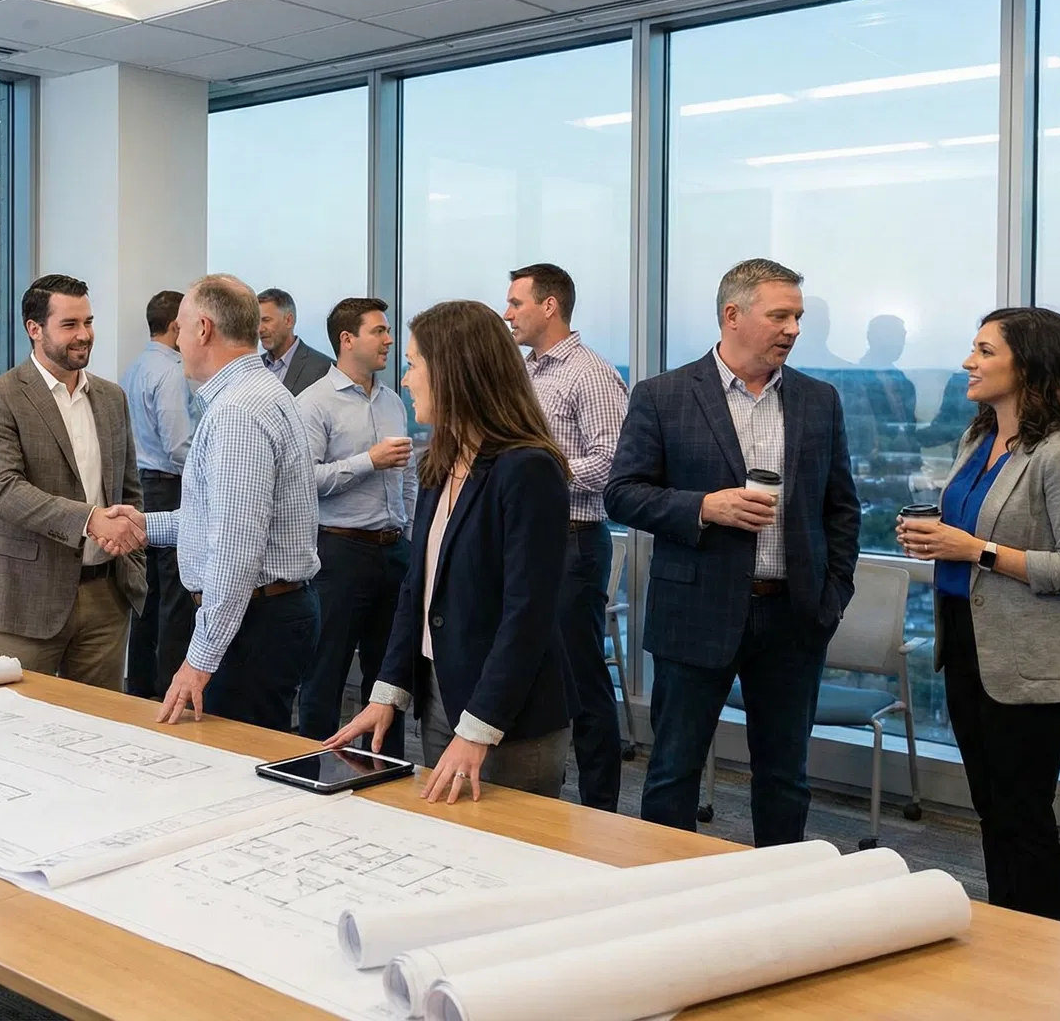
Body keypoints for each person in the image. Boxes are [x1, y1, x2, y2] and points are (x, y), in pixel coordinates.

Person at [606, 258, 860, 847]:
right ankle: (668, 889)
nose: (793, 329)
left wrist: (831, 598)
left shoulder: (818, 400)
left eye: (797, 316)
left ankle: (779, 888)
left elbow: (842, 509)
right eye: (781, 316)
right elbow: (622, 494)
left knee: (785, 778)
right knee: (673, 773)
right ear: (733, 315)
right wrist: (704, 507)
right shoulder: (663, 395)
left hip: (793, 616)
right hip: (694, 613)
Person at [896, 307, 1060, 921]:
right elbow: (967, 535)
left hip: (1031, 663)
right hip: (967, 647)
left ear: (1030, 364)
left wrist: (976, 550)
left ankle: (1042, 948)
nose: (969, 362)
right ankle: (1006, 936)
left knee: (1023, 817)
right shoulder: (978, 440)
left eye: (985, 351)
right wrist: (934, 538)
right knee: (991, 811)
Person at [328, 300, 574, 802]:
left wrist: (480, 726)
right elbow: (417, 590)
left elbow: (528, 615)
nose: (404, 380)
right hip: (440, 699)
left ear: (454, 371)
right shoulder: (441, 462)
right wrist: (387, 692)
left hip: (507, 718)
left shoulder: (528, 469)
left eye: (413, 364)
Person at [115, 274, 321, 731]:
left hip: (253, 623)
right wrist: (145, 526)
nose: (178, 342)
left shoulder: (237, 412)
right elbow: (217, 518)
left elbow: (234, 549)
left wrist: (199, 660)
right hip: (261, 614)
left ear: (203, 329)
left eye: (181, 328)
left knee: (239, 763)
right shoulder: (254, 394)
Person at [0, 274, 147, 690]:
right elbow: (4, 491)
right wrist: (90, 519)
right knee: (18, 719)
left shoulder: (112, 398)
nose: (84, 335)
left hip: (107, 596)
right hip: (26, 597)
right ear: (35, 329)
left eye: (88, 322)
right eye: (69, 325)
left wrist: (131, 552)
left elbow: (129, 489)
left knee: (100, 719)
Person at [504, 263, 630, 811]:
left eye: (516, 303)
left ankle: (600, 809)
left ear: (549, 306)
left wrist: (538, 473)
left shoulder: (590, 374)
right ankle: (538, 797)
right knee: (528, 665)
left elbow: (613, 462)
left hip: (574, 541)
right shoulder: (524, 372)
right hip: (528, 540)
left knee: (581, 678)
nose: (507, 313)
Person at [295, 297, 414, 758]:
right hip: (340, 553)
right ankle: (313, 767)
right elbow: (304, 481)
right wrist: (369, 461)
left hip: (394, 551)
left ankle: (386, 768)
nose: (389, 340)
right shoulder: (313, 404)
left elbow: (407, 477)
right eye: (378, 331)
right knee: (325, 673)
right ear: (347, 340)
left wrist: (409, 533)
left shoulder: (393, 401)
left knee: (390, 679)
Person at [119, 290, 199, 699]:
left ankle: (140, 686)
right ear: (174, 326)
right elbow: (178, 445)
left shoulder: (134, 367)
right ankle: (171, 687)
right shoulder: (171, 371)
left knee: (146, 596)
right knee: (176, 598)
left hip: (142, 485)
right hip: (169, 487)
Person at [256, 287, 333, 396]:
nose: (260, 329)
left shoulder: (323, 369)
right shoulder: (254, 367)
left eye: (266, 320)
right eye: (256, 322)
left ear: (288, 320)